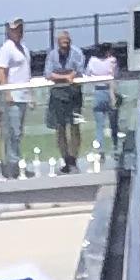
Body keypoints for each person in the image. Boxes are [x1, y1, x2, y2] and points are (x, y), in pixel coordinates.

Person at [0, 17, 32, 177]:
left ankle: (17, 163)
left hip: (23, 95)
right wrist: (7, 92)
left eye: (20, 29)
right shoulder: (6, 49)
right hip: (13, 97)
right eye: (15, 29)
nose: (19, 32)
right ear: (9, 31)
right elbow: (1, 71)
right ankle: (13, 166)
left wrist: (31, 94)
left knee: (19, 132)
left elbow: (26, 73)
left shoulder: (24, 49)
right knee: (13, 132)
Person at [46, 30, 86, 174]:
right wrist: (65, 77)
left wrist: (64, 75)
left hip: (74, 95)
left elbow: (79, 71)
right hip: (57, 95)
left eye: (67, 43)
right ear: (58, 43)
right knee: (60, 128)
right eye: (63, 43)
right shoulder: (52, 55)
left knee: (75, 127)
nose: (65, 46)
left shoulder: (77, 53)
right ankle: (66, 160)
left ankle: (73, 160)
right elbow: (48, 74)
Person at [83, 38, 122, 162]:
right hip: (110, 92)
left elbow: (87, 74)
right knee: (114, 124)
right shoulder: (112, 60)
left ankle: (100, 151)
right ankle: (115, 147)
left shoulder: (92, 61)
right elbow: (115, 75)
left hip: (98, 92)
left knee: (99, 125)